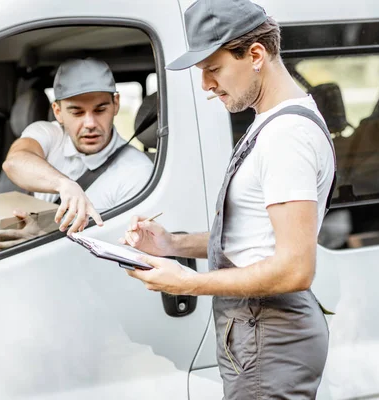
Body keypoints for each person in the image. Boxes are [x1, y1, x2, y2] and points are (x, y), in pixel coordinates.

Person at [120, 0, 336, 399]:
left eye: (213, 69)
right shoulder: (271, 124)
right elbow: (255, 238)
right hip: (259, 335)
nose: (206, 85)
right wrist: (173, 244)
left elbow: (295, 269)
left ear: (256, 55)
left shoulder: (286, 137)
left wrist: (190, 282)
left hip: (268, 335)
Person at [0, 58, 153, 249]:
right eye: (77, 112)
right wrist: (64, 184)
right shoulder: (50, 134)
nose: (90, 123)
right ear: (58, 112)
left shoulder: (137, 171)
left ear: (116, 104)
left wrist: (43, 241)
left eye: (100, 109)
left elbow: (125, 253)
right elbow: (14, 163)